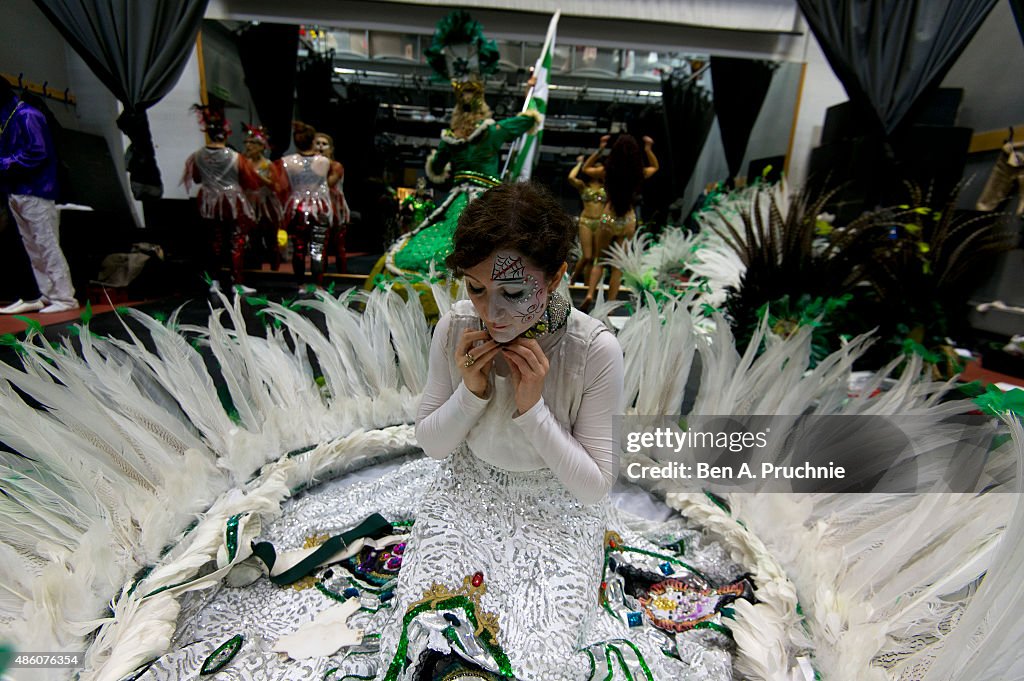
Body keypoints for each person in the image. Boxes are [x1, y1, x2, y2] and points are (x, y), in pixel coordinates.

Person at [0, 77, 78, 314]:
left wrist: (3, 164)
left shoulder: (27, 115)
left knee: (46, 244)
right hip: (18, 191)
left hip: (36, 191)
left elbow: (38, 152)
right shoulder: (10, 117)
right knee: (33, 246)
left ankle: (64, 297)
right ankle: (48, 294)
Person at [183, 105, 261, 294]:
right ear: (226, 133)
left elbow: (196, 178)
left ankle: (215, 281)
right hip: (232, 201)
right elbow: (249, 181)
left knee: (215, 242)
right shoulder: (235, 157)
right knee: (236, 241)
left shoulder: (197, 156)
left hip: (210, 200)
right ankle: (236, 282)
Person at [581, 134, 659, 309]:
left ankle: (590, 293)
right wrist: (648, 149)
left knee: (599, 261)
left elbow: (586, 168)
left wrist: (601, 149)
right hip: (628, 220)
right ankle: (609, 305)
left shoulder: (607, 171)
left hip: (609, 217)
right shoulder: (639, 173)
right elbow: (655, 166)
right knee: (617, 266)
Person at [275, 122, 333, 288]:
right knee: (317, 248)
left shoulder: (286, 162)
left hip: (298, 207)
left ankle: (300, 284)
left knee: (299, 248)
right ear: (312, 141)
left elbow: (281, 186)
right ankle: (318, 284)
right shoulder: (325, 162)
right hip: (320, 207)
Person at [241, 124, 284, 271]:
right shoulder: (243, 163)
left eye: (252, 143)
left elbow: (275, 186)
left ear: (261, 147)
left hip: (266, 204)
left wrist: (257, 176)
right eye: (247, 142)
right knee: (253, 239)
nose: (248, 146)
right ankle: (255, 269)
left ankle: (275, 269)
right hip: (249, 203)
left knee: (270, 238)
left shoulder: (268, 164)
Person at [312, 132, 350, 274]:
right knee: (320, 245)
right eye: (318, 143)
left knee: (339, 244)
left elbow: (326, 184)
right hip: (318, 207)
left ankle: (343, 276)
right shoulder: (310, 165)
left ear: (331, 149)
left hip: (335, 208)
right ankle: (319, 276)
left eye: (324, 144)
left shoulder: (336, 166)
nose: (320, 146)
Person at [567, 153, 607, 285]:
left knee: (594, 258)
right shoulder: (583, 186)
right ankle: (572, 281)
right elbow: (571, 177)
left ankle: (587, 285)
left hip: (601, 223)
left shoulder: (606, 187)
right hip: (586, 222)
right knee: (587, 256)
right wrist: (579, 164)